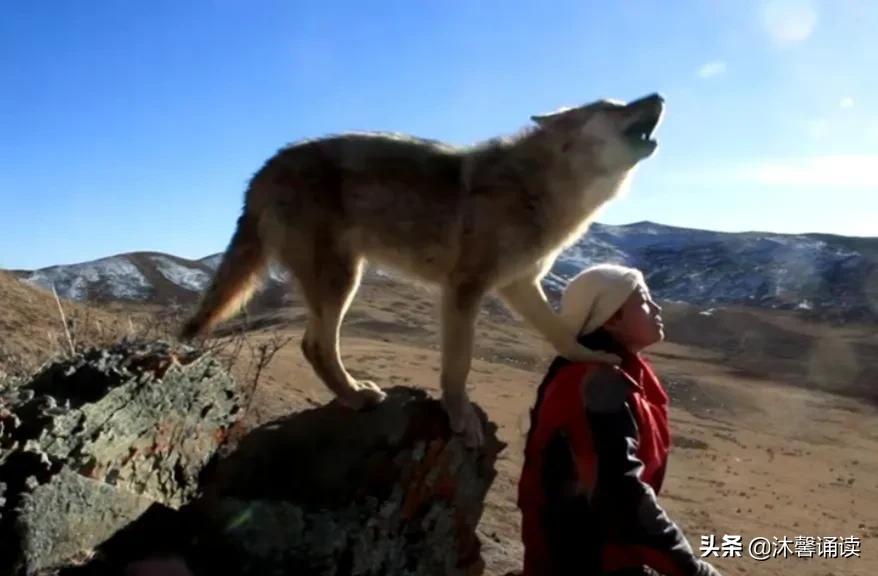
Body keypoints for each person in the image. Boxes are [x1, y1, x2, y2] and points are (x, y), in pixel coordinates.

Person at [517, 264, 723, 576]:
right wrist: (692, 570)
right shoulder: (592, 382)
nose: (656, 307)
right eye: (643, 299)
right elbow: (619, 493)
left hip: (604, 555)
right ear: (611, 318)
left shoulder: (617, 373)